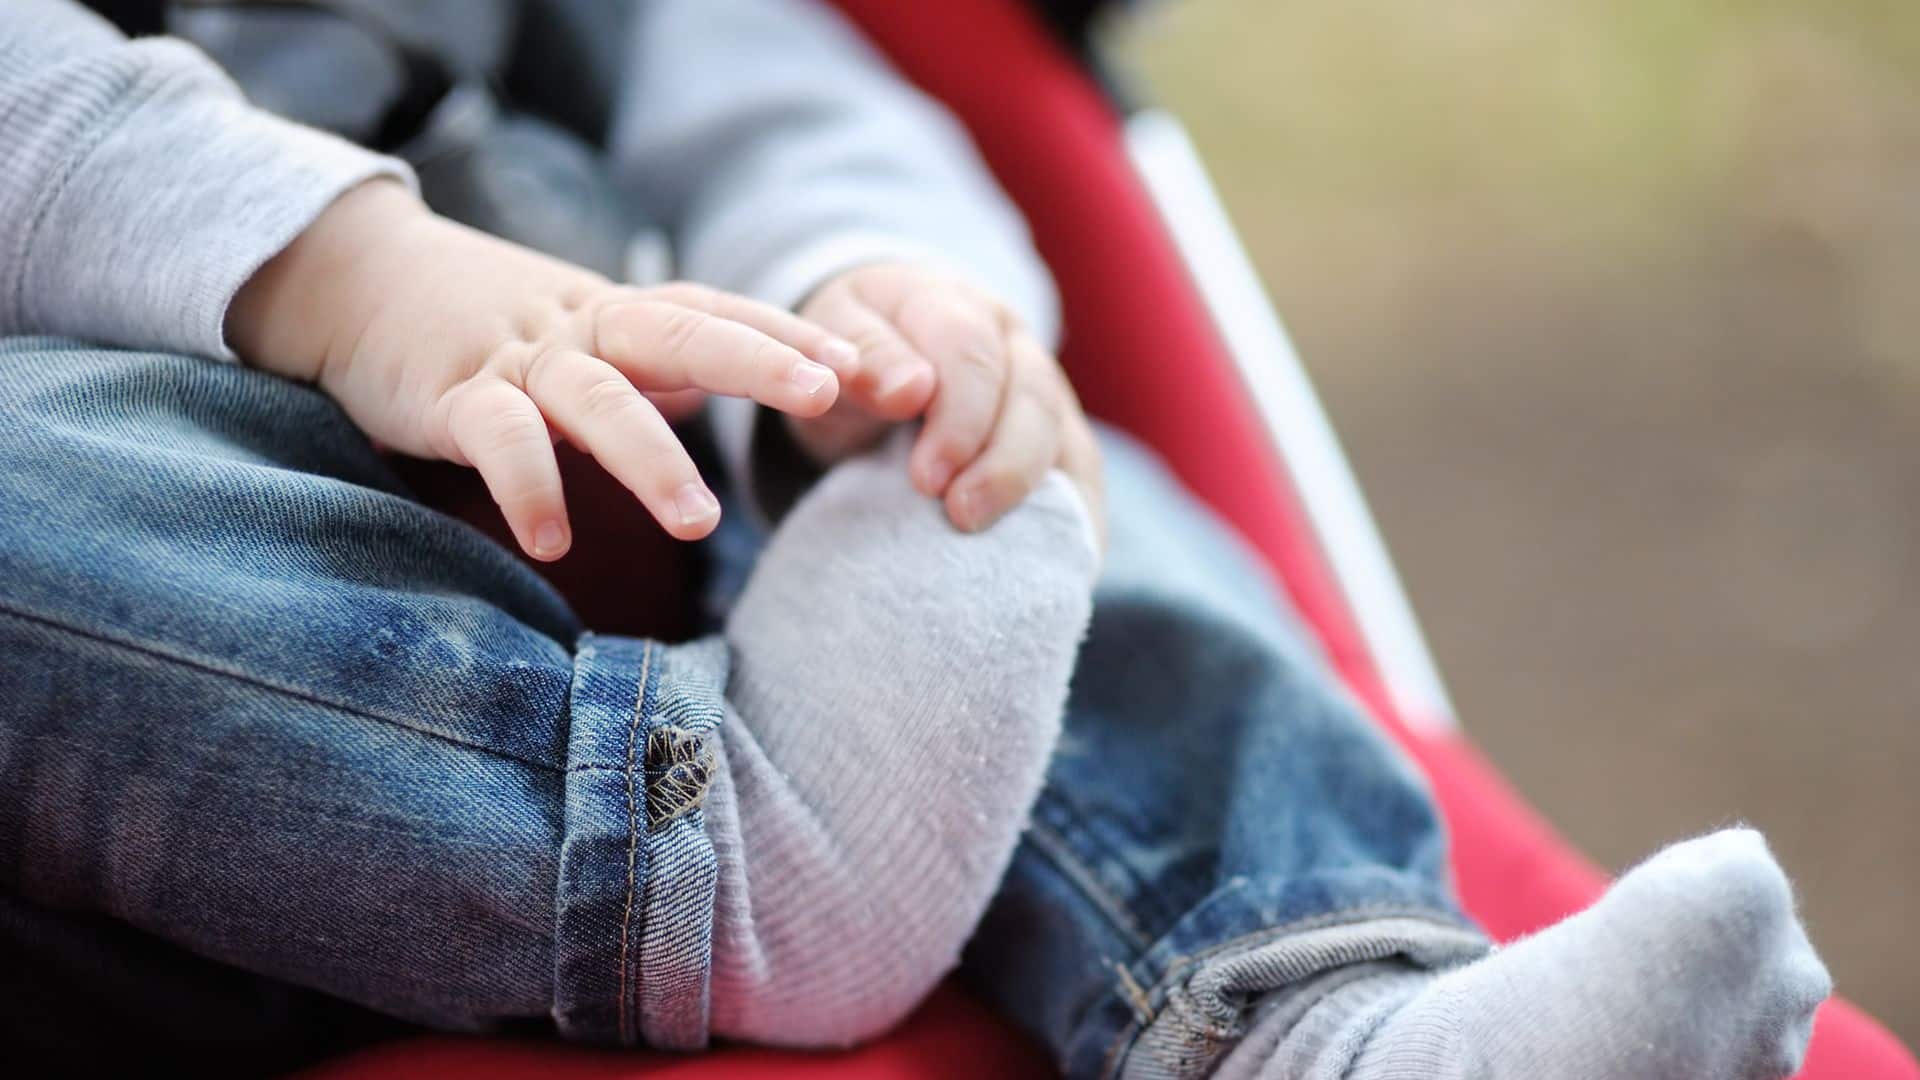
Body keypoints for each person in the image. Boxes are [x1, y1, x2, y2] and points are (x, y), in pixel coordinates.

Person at [0, 2, 1832, 1077]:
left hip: (673, 489)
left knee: (1001, 459)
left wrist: (875, 298)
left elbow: (783, 102)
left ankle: (1313, 1011)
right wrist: (334, 265)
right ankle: (696, 855)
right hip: (168, 743)